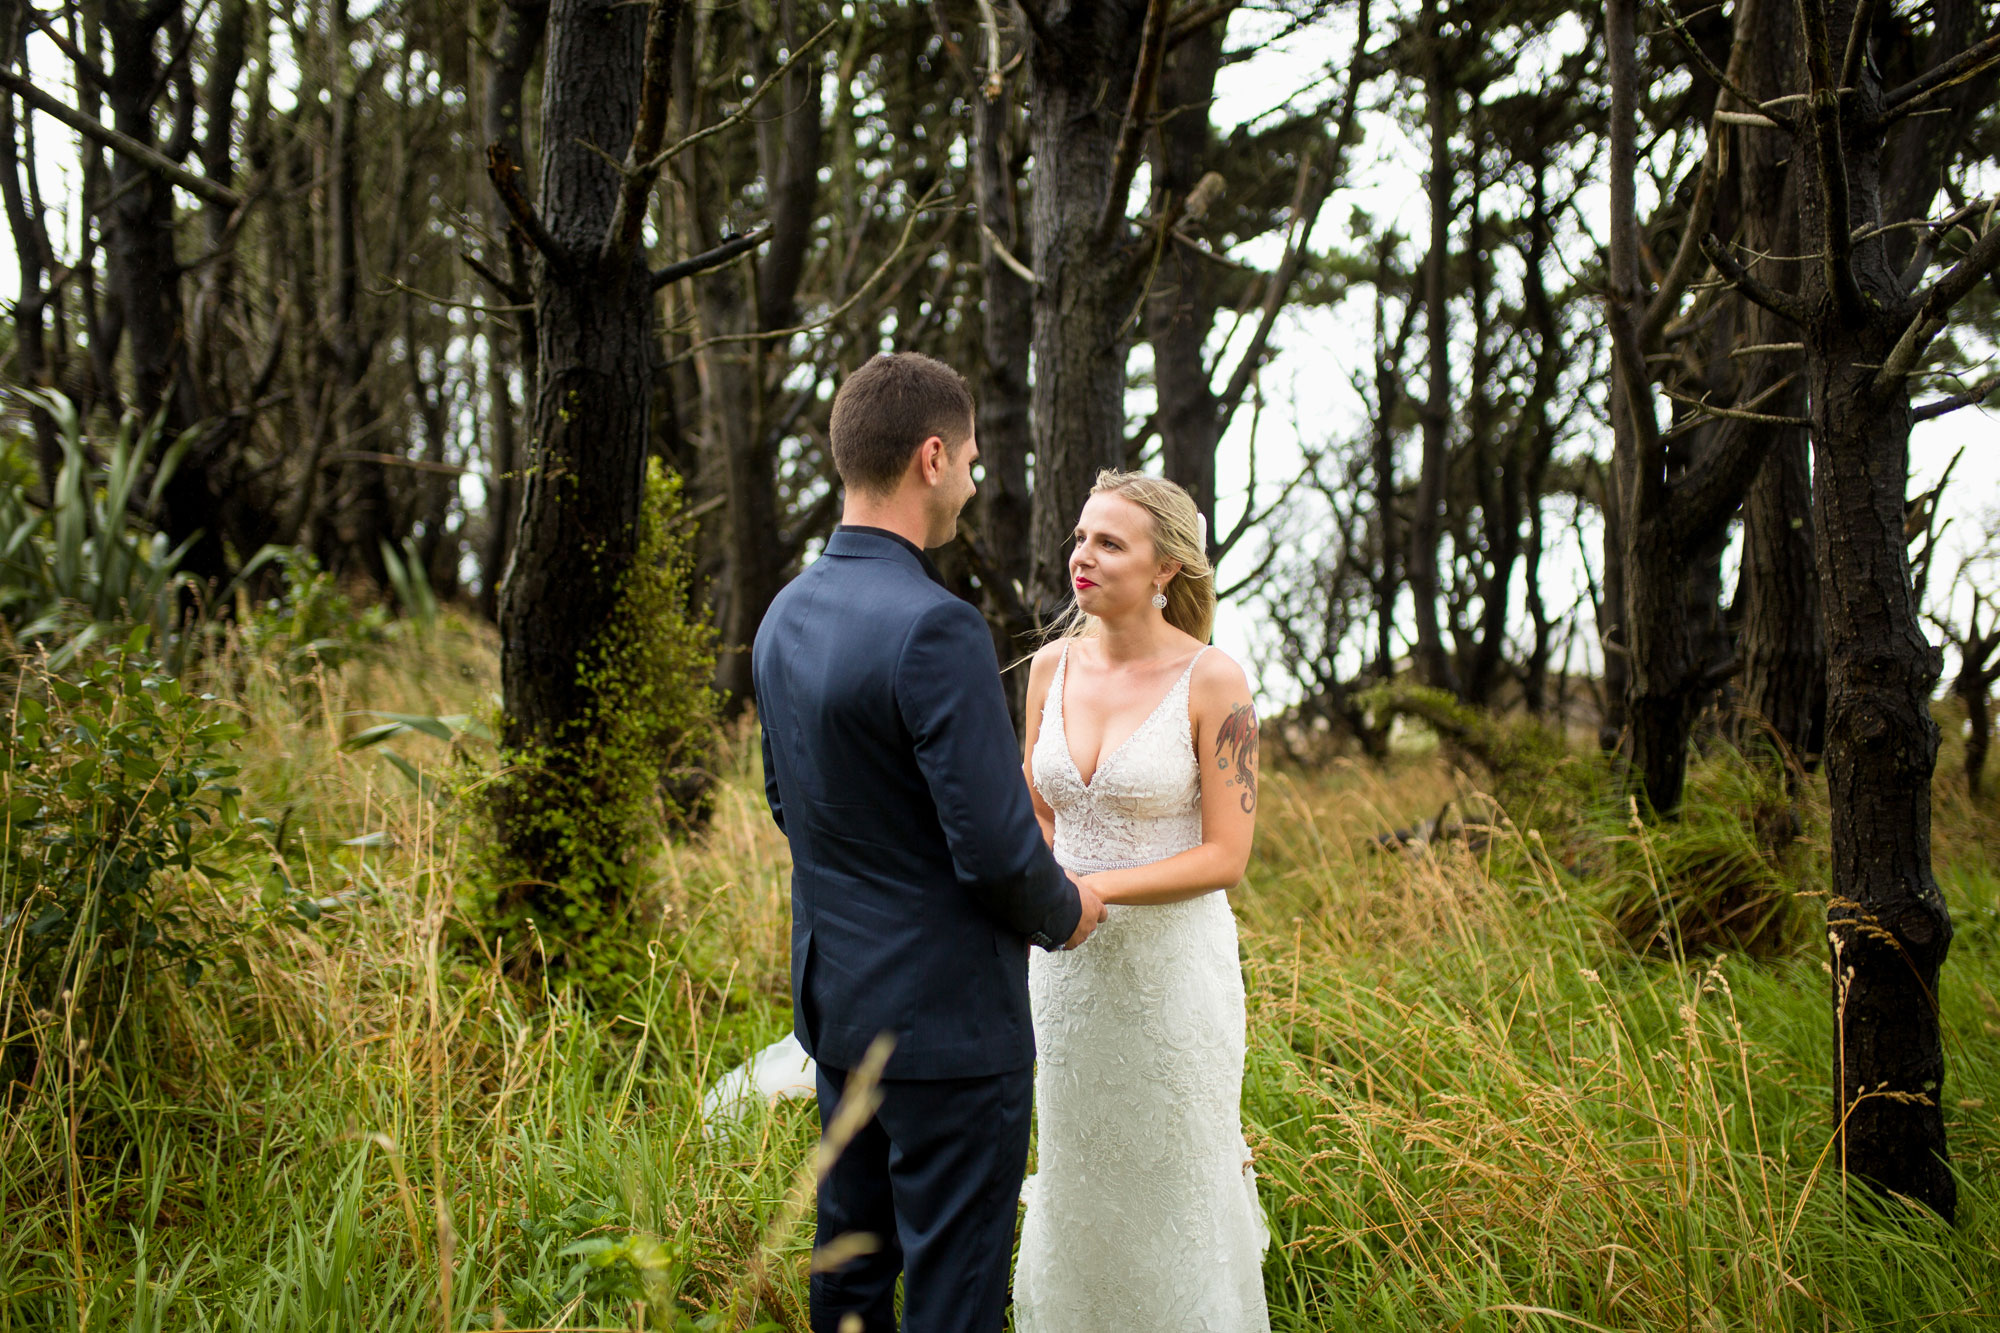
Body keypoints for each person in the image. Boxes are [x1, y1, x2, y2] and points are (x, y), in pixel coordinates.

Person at [751, 351, 1106, 1333]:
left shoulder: (782, 616)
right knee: (952, 1299)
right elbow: (994, 850)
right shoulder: (934, 629)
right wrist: (1067, 909)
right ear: (932, 456)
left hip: (838, 1010)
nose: (974, 479)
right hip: (949, 1032)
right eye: (973, 460)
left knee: (851, 1280)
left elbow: (791, 801)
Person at [1012, 470, 1270, 1333]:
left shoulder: (1214, 680)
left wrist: (1088, 890)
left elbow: (1227, 855)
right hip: (1064, 979)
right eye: (1081, 537)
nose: (1083, 556)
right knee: (1079, 1174)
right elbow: (1039, 811)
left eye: (1110, 543)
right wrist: (1042, 900)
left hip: (1172, 983)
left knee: (1174, 1182)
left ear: (1166, 568)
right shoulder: (1049, 667)